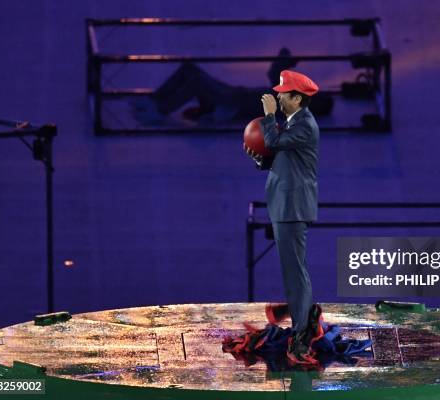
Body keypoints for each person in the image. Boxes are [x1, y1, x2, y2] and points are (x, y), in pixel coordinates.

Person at [245, 69, 321, 364]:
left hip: (292, 207)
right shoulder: (293, 124)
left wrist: (267, 117)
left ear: (297, 98)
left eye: (282, 93)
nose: (277, 96)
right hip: (284, 204)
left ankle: (302, 331)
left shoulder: (305, 126)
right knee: (293, 269)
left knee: (295, 272)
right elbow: (280, 157)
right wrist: (260, 159)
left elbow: (276, 142)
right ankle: (305, 317)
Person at [131, 48, 334, 125]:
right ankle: (155, 100)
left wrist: (284, 61)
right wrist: (284, 61)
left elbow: (275, 77)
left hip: (233, 103)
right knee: (189, 68)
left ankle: (160, 111)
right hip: (235, 95)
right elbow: (275, 77)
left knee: (196, 82)